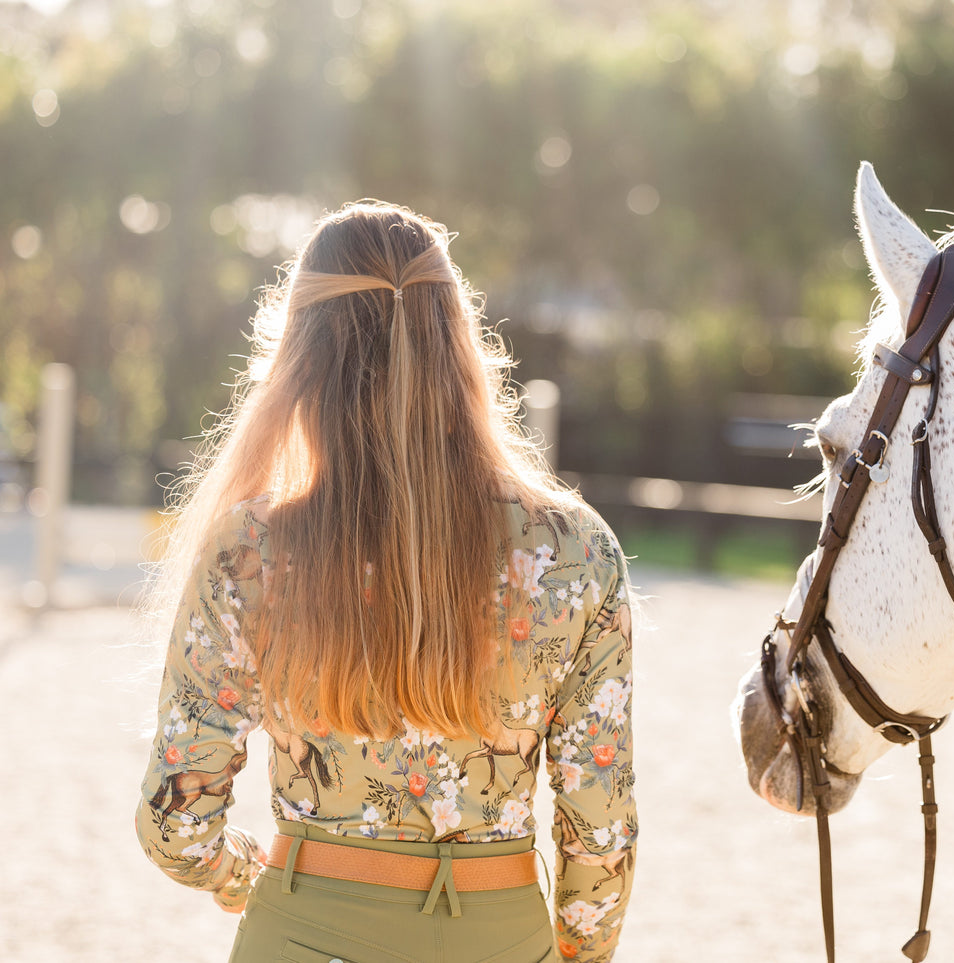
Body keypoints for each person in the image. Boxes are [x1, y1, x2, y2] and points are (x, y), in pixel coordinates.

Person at [136, 201, 636, 963]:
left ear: (299, 360)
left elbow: (174, 826)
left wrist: (260, 881)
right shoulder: (577, 552)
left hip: (301, 930)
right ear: (460, 346)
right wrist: (572, 946)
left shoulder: (252, 551)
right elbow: (599, 840)